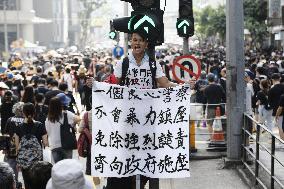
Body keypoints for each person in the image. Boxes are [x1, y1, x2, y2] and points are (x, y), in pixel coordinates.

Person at [98, 32, 177, 189]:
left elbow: (165, 83)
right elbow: (113, 84)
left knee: (149, 158)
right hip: (128, 119)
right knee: (127, 155)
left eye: (141, 40)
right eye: (135, 40)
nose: (137, 43)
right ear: (130, 42)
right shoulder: (123, 63)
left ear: (146, 44)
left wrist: (185, 87)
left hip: (148, 119)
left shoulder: (153, 64)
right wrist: (95, 85)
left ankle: (139, 183)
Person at [14, 103, 48, 189]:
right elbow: (45, 143)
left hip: (24, 162)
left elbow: (17, 147)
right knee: (38, 180)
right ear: (34, 112)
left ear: (23, 113)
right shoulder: (40, 125)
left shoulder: (19, 127)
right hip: (37, 160)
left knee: (27, 182)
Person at [45, 94, 80, 163]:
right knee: (67, 167)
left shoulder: (48, 119)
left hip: (54, 145)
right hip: (66, 144)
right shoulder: (67, 114)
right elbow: (79, 119)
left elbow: (48, 132)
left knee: (58, 168)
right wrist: (72, 125)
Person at [4, 102, 25, 181]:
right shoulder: (26, 120)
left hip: (11, 147)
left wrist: (5, 147)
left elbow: (6, 134)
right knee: (25, 167)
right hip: (23, 146)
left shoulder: (10, 119)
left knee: (11, 167)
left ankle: (13, 182)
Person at [204, 73, 226, 139]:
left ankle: (212, 138)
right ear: (214, 79)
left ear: (208, 79)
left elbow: (205, 99)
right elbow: (224, 97)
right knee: (220, 122)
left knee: (209, 123)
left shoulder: (206, 88)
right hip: (219, 107)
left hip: (210, 107)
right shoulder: (219, 86)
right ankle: (221, 137)